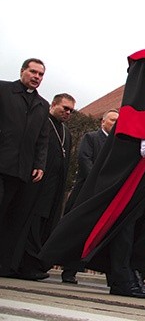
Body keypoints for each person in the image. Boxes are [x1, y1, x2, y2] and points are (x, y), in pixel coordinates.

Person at [39, 14, 145, 299]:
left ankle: (132, 269)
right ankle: (121, 274)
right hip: (140, 150)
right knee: (129, 208)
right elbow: (136, 99)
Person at [15, 94, 76, 279]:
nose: (67, 112)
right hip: (37, 185)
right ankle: (24, 266)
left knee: (45, 225)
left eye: (71, 110)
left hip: (55, 188)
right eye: (64, 108)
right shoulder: (43, 123)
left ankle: (36, 264)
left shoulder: (66, 132)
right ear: (53, 104)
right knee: (32, 224)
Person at [0, 58, 49, 279]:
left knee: (13, 220)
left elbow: (42, 138)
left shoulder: (42, 105)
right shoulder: (3, 90)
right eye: (33, 72)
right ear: (22, 71)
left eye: (40, 74)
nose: (37, 77)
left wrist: (39, 164)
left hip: (23, 172)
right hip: (2, 164)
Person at [61, 108, 119, 284]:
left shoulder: (119, 144)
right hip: (87, 192)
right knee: (77, 230)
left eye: (118, 121)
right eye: (112, 120)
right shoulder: (92, 138)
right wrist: (100, 182)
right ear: (103, 121)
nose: (115, 124)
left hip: (107, 195)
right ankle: (69, 270)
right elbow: (85, 160)